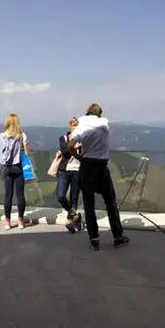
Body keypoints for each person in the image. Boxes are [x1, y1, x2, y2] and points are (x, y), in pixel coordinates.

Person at [69, 103, 130, 251]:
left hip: (86, 165)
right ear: (99, 113)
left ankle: (94, 239)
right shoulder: (104, 123)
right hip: (102, 166)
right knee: (110, 202)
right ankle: (118, 236)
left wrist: (79, 156)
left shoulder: (81, 124)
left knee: (89, 204)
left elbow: (70, 145)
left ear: (87, 112)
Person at [0, 113, 30, 230]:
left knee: (8, 195)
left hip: (6, 167)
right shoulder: (21, 135)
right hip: (18, 167)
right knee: (20, 195)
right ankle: (20, 220)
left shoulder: (1, 136)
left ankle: (7, 221)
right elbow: (27, 153)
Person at [57, 116, 83, 233]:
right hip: (64, 170)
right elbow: (64, 151)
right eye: (73, 126)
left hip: (77, 170)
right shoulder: (63, 138)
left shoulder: (82, 139)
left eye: (77, 126)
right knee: (61, 196)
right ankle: (74, 215)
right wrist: (74, 147)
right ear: (70, 126)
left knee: (74, 197)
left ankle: (71, 221)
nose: (75, 128)